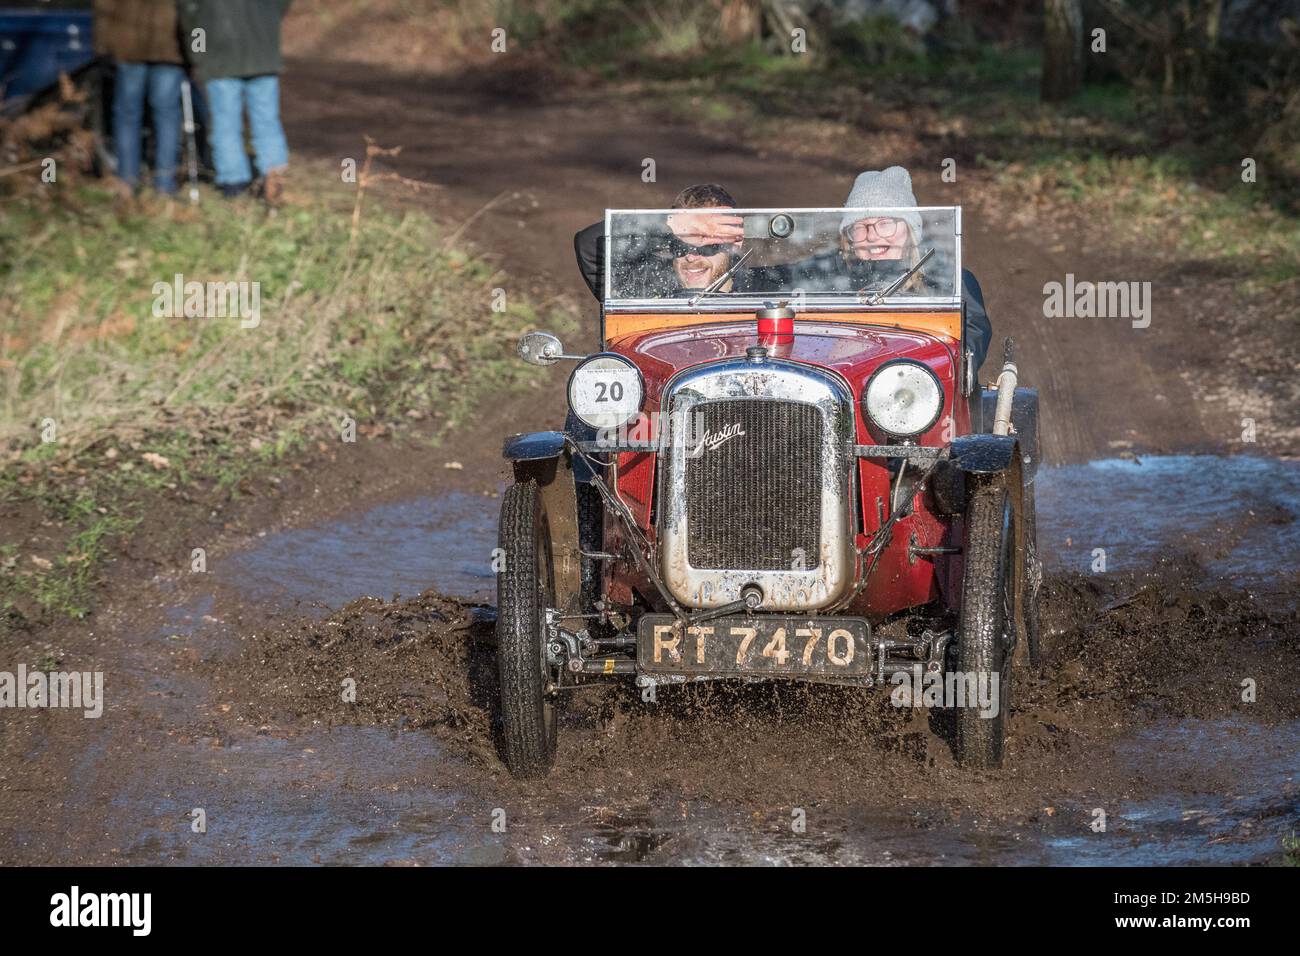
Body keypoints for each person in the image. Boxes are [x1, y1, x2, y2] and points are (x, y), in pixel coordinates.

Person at [835, 166, 993, 374]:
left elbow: (970, 344)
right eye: (860, 226)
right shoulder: (828, 280)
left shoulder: (950, 282)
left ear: (910, 230)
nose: (872, 236)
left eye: (885, 223)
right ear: (849, 238)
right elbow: (785, 280)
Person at [176, 0, 293, 203]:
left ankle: (234, 186)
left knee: (226, 126)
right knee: (268, 122)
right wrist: (268, 26)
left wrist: (197, 53)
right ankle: (274, 177)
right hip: (263, 53)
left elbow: (191, 15)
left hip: (219, 57)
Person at [575, 184, 777, 300]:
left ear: (736, 242)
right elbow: (589, 244)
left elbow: (809, 270)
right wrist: (664, 222)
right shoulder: (646, 287)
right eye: (681, 244)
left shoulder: (765, 290)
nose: (691, 256)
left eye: (709, 245)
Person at [93, 0, 185, 196]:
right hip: (169, 44)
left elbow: (105, 6)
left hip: (129, 45)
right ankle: (165, 184)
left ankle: (126, 182)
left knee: (128, 116)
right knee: (167, 115)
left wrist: (102, 47)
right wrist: (196, 50)